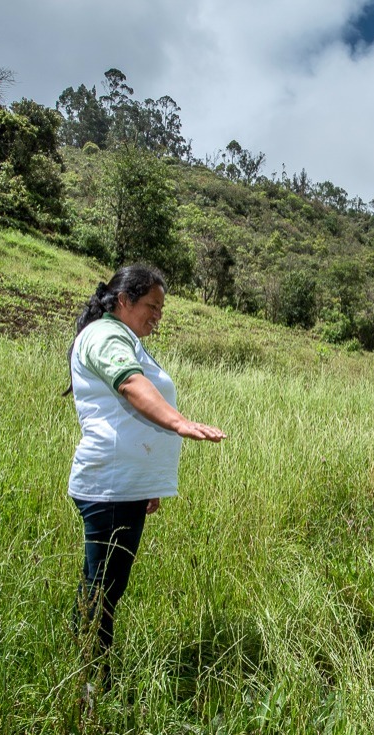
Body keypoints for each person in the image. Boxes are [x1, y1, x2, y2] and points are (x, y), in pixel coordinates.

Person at [65, 263, 226, 681]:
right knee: (100, 594)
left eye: (161, 308)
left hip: (126, 486)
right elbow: (131, 385)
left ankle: (91, 677)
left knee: (105, 591)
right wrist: (179, 422)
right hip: (109, 485)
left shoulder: (125, 338)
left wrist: (150, 483)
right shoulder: (105, 335)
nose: (158, 315)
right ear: (124, 300)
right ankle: (89, 685)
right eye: (151, 305)